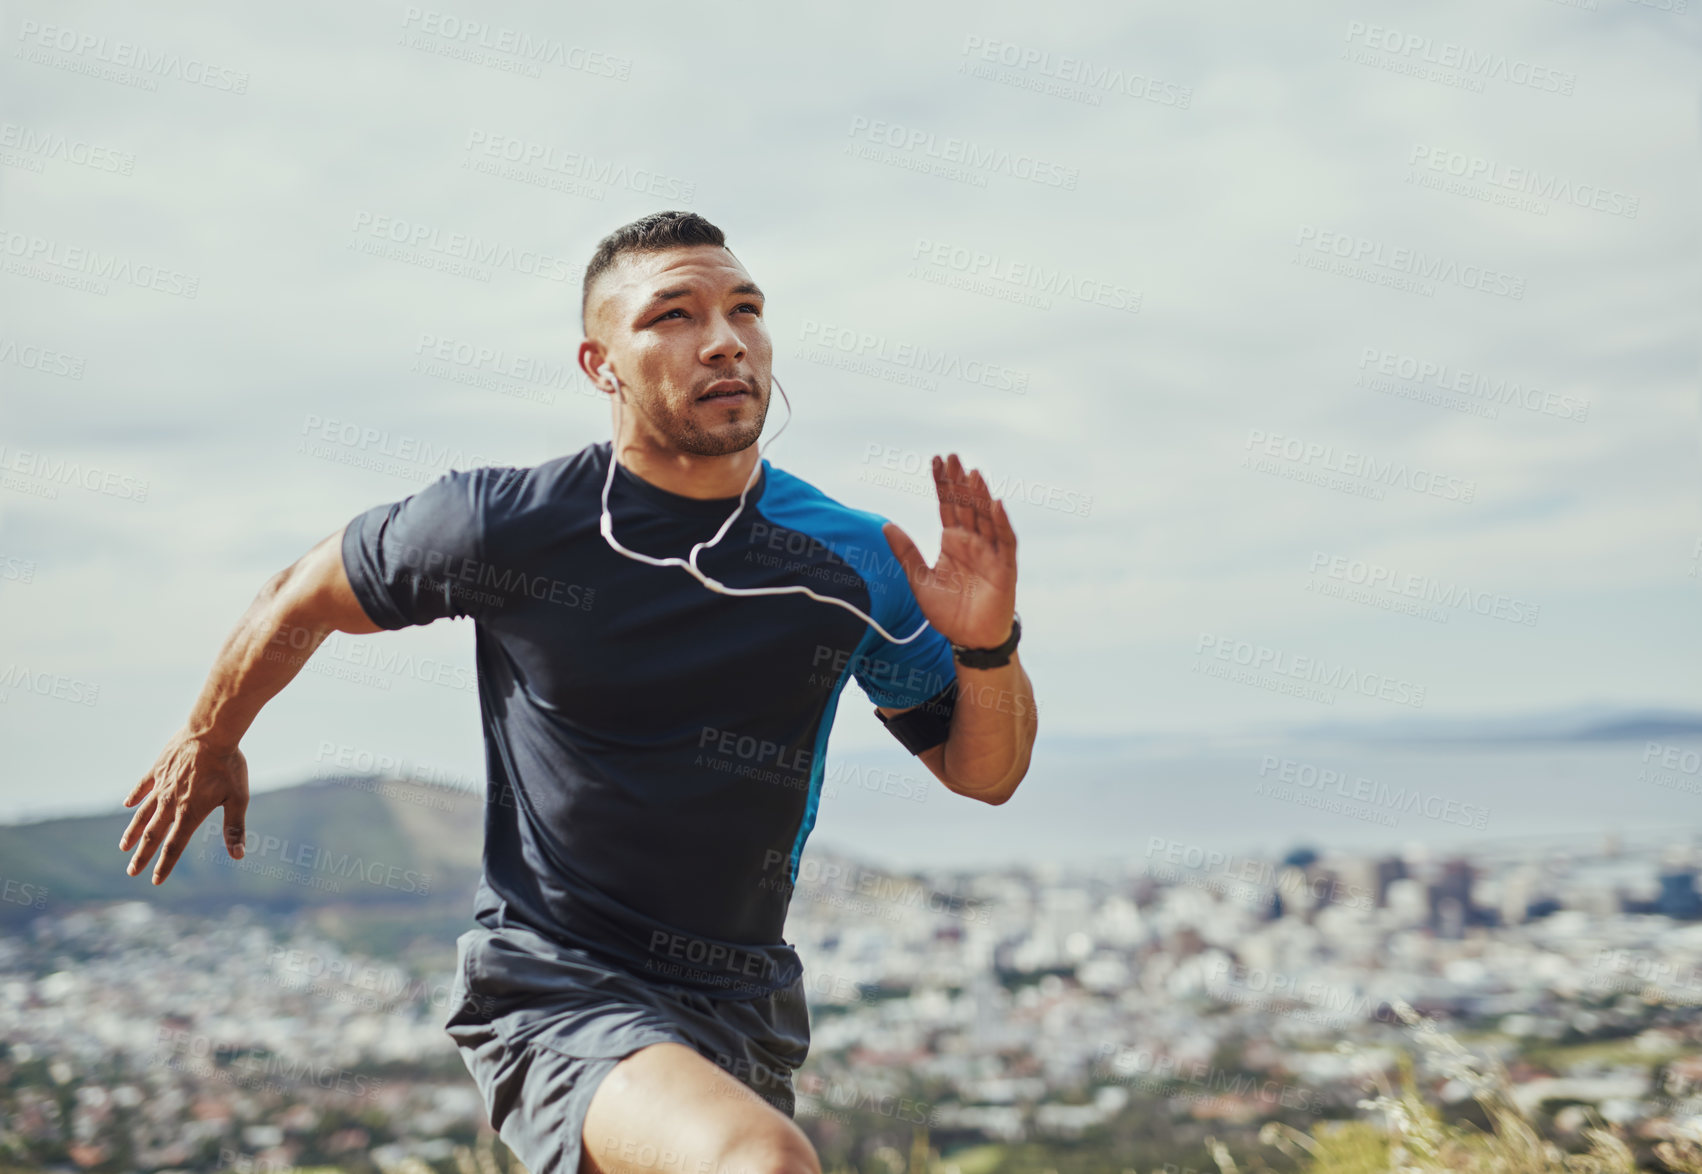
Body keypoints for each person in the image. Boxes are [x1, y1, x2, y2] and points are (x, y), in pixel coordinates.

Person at [119, 210, 1038, 1174]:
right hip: (556, 983)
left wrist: (987, 647)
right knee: (763, 1164)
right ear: (601, 365)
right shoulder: (507, 525)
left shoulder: (853, 559)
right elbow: (303, 593)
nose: (724, 339)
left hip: (747, 1002)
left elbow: (983, 774)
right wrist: (207, 736)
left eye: (746, 309)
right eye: (673, 315)